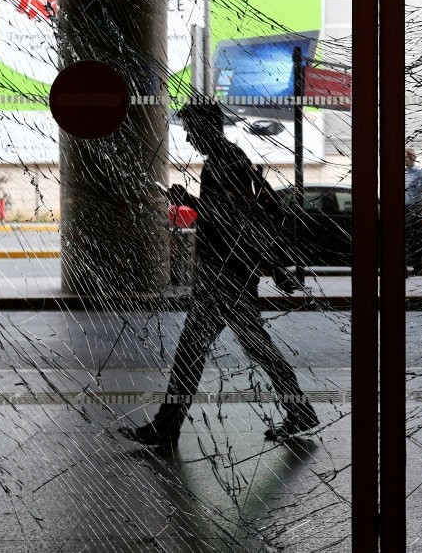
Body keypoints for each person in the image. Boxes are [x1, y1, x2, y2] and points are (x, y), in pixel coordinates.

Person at [120, 100, 318, 452]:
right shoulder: (227, 158)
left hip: (226, 274)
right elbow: (237, 216)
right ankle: (298, 409)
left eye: (194, 131)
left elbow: (231, 220)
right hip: (230, 272)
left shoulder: (223, 162)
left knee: (195, 350)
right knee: (248, 346)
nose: (191, 139)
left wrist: (188, 200)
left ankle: (166, 430)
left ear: (209, 128)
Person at [404, 147, 422, 275]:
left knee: (416, 239)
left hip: (415, 209)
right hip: (404, 209)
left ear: (412, 158)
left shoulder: (421, 174)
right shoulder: (404, 173)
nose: (405, 160)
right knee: (408, 239)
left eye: (407, 157)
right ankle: (416, 267)